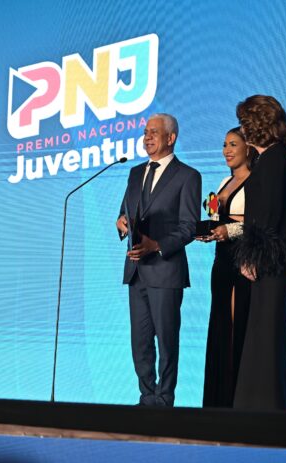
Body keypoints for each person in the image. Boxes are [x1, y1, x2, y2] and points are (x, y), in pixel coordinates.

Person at [116, 113, 201, 407]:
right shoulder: (135, 173)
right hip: (136, 270)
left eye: (154, 132)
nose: (147, 137)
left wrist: (157, 246)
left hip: (166, 270)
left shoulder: (188, 176)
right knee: (140, 342)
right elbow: (126, 211)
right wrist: (122, 223)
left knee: (166, 341)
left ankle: (164, 400)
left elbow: (189, 227)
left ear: (171, 137)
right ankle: (146, 398)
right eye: (145, 132)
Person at [232, 95, 286, 411]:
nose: (241, 129)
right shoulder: (267, 159)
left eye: (244, 122)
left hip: (272, 263)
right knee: (263, 334)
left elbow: (270, 215)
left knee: (268, 334)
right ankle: (260, 407)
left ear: (256, 124)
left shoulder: (276, 158)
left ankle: (267, 408)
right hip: (269, 261)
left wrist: (253, 257)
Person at [198, 127, 255, 408]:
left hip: (242, 261)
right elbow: (215, 217)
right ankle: (217, 403)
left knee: (236, 328)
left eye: (233, 144)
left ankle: (235, 401)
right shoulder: (224, 181)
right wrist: (209, 226)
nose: (226, 151)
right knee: (220, 327)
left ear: (248, 148)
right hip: (220, 262)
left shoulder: (257, 182)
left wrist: (228, 230)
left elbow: (258, 224)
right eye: (224, 145)